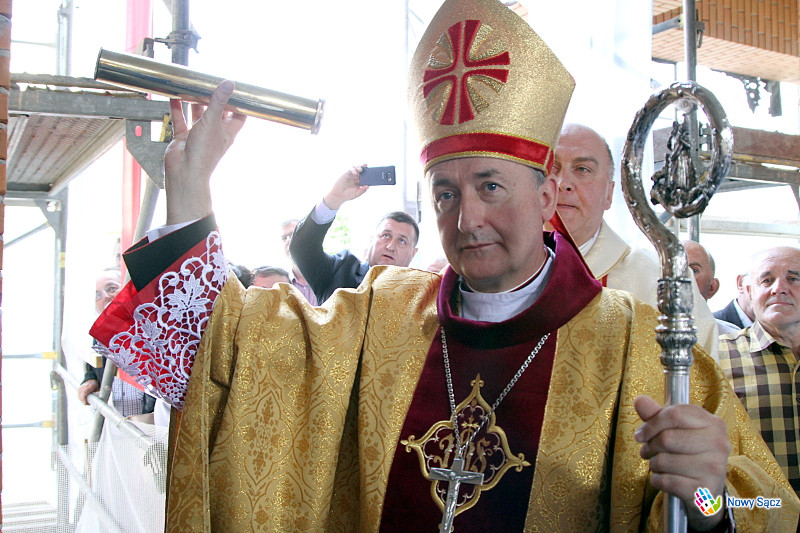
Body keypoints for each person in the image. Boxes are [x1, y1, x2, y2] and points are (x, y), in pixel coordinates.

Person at [89, 0, 797, 530]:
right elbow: (227, 352)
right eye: (446, 193)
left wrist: (709, 502)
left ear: (545, 195)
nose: (467, 219)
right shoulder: (382, 315)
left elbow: (770, 505)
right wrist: (191, 191)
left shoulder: (637, 344)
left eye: (491, 186)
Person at [549, 123, 721, 358]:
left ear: (609, 194)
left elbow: (698, 373)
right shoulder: (496, 271)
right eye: (552, 167)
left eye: (582, 169)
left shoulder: (662, 278)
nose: (562, 183)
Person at [718, 246, 800, 498]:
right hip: (758, 513)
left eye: (793, 278)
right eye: (766, 280)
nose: (779, 288)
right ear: (749, 291)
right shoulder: (717, 357)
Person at [289, 167, 419, 303]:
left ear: (413, 254)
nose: (391, 246)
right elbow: (301, 248)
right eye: (386, 236)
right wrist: (334, 199)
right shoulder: (340, 271)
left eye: (402, 241)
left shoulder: (419, 295)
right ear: (371, 240)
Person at [78, 269, 154, 417]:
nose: (106, 297)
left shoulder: (148, 323)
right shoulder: (99, 333)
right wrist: (90, 380)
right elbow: (92, 370)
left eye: (112, 289)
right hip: (117, 418)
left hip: (148, 421)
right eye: (97, 295)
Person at [280, 218, 317, 304]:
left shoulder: (334, 276)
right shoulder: (279, 284)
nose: (289, 241)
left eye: (294, 235)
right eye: (284, 238)